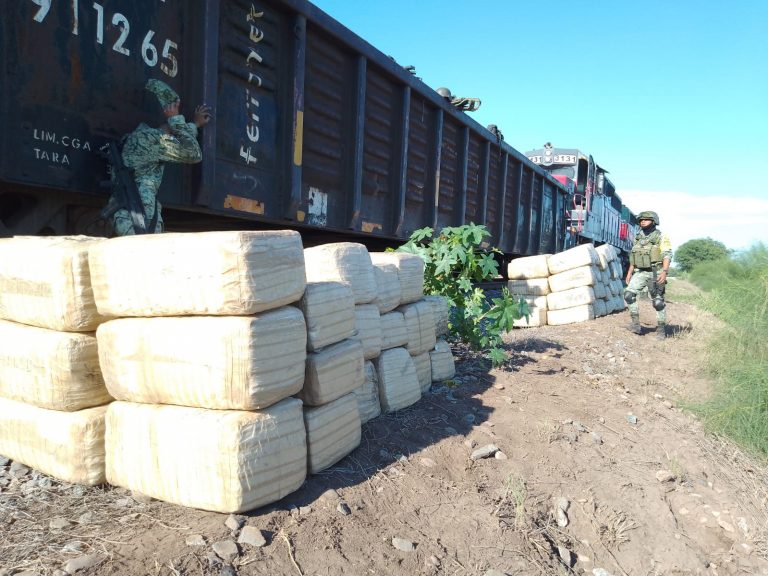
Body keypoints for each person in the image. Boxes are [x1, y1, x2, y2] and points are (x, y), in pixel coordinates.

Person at [108, 79, 212, 236]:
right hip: (136, 219)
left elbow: (169, 136)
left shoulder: (143, 137)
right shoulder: (151, 140)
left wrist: (195, 125)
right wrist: (176, 120)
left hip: (133, 215)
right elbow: (193, 154)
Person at [624, 211, 673, 339]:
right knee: (628, 295)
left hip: (655, 272)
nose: (643, 222)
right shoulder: (638, 237)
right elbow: (634, 256)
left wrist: (664, 272)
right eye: (641, 220)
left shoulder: (661, 237)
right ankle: (636, 325)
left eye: (646, 219)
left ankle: (661, 330)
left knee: (658, 302)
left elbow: (667, 254)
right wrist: (629, 273)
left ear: (654, 221)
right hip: (640, 272)